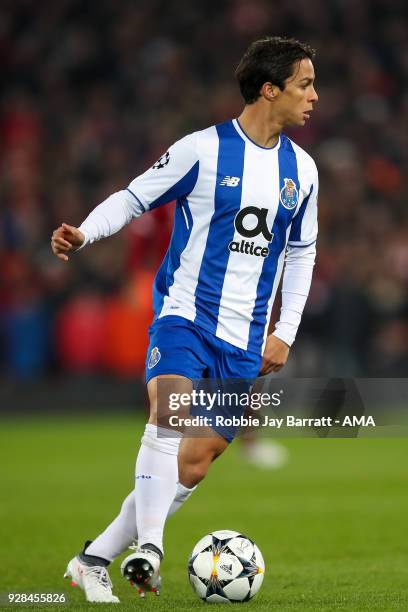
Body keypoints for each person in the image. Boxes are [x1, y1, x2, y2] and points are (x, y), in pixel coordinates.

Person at [51, 35, 319, 603]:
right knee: (167, 408)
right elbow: (132, 197)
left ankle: (93, 558)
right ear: (270, 89)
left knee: (193, 464)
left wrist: (284, 332)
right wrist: (85, 231)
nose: (314, 96)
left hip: (246, 340)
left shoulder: (304, 170)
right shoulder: (201, 150)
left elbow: (302, 253)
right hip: (185, 314)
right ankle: (149, 548)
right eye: (305, 84)